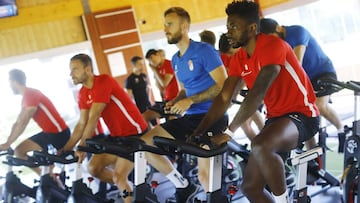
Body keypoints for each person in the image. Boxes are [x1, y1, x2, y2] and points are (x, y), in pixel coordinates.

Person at [192, 1, 320, 202]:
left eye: (233, 26)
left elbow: (258, 91)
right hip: (276, 120)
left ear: (252, 28)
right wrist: (198, 132)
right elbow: (225, 97)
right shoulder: (239, 58)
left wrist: (229, 132)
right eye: (227, 27)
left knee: (260, 145)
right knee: (251, 188)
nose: (228, 32)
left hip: (302, 116)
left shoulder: (273, 45)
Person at [140, 7, 228, 203]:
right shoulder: (175, 59)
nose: (165, 29)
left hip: (212, 117)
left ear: (184, 26)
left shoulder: (203, 51)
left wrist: (191, 100)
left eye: (169, 24)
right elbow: (184, 90)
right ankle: (183, 185)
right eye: (164, 25)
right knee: (145, 143)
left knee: (206, 178)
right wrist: (177, 100)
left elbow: (224, 84)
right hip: (189, 118)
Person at [62, 53, 148, 203]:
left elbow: (93, 118)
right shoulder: (83, 93)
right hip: (116, 136)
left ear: (87, 69)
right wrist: (66, 149)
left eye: (75, 69)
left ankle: (130, 191)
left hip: (134, 134)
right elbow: (82, 123)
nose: (71, 74)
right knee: (93, 168)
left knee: (119, 177)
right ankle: (134, 190)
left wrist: (81, 146)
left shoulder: (103, 81)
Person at [260, 18, 345, 152]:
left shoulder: (298, 32)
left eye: (272, 38)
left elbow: (297, 62)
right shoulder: (277, 42)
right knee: (301, 113)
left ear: (277, 28)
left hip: (323, 72)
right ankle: (311, 150)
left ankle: (342, 132)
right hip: (303, 79)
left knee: (319, 106)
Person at [0, 69, 70, 175]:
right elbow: (18, 122)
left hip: (58, 133)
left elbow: (23, 122)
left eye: (9, 83)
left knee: (22, 152)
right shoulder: (25, 98)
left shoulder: (30, 94)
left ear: (14, 81)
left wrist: (8, 143)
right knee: (19, 151)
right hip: (49, 133)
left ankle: (48, 179)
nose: (9, 86)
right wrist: (7, 143)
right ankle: (48, 179)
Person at [218, 33, 264, 140]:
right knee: (244, 124)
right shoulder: (235, 58)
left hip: (261, 91)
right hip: (252, 90)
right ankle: (258, 147)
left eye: (230, 53)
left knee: (253, 112)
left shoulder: (254, 52)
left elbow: (242, 79)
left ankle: (269, 142)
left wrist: (235, 94)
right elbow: (237, 78)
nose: (229, 56)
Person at [143, 48, 180, 123]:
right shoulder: (159, 68)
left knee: (172, 124)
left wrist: (154, 70)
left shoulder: (168, 64)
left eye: (151, 58)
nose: (151, 62)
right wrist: (155, 72)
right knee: (144, 116)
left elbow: (164, 84)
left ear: (157, 55)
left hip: (174, 99)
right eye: (149, 61)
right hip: (166, 100)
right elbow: (160, 88)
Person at [125, 56, 157, 126]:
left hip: (147, 104)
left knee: (155, 124)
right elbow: (129, 96)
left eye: (143, 64)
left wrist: (149, 99)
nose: (142, 66)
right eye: (140, 64)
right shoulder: (130, 79)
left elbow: (148, 88)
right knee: (146, 126)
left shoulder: (144, 76)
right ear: (134, 65)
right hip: (138, 106)